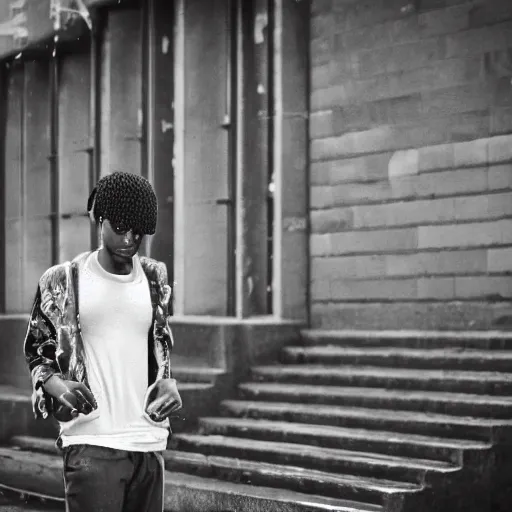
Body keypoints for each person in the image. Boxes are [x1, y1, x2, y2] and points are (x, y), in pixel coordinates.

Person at [23, 171, 182, 512]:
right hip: (90, 443)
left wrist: (167, 382)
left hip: (148, 441)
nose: (130, 238)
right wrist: (54, 384)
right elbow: (37, 351)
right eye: (121, 227)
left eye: (139, 230)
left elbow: (160, 346)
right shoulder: (62, 281)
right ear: (99, 219)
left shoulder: (156, 278)